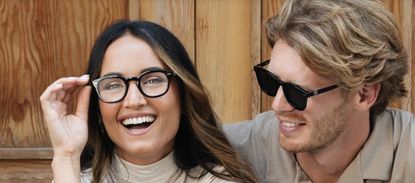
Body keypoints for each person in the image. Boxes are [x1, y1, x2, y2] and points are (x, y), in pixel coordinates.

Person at [40, 20, 258, 183]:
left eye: (153, 80)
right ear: (97, 107)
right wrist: (66, 156)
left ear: (183, 96)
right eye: (114, 84)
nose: (133, 100)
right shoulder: (70, 177)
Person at [224, 0, 415, 182]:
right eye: (271, 82)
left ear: (364, 94)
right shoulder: (233, 149)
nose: (277, 105)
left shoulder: (408, 154)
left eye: (298, 92)